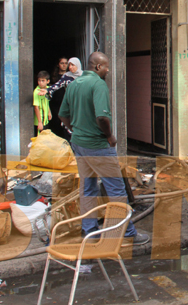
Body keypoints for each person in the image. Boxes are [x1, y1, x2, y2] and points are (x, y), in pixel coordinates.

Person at [59, 52, 149, 245]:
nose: (108, 70)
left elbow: (63, 114)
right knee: (116, 190)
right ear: (98, 67)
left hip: (79, 143)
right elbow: (102, 117)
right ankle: (127, 232)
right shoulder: (98, 84)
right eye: (106, 66)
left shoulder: (73, 84)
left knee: (88, 188)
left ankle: (89, 230)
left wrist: (74, 129)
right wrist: (109, 136)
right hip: (97, 145)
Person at [40, 57, 83, 140]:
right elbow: (57, 85)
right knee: (68, 128)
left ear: (78, 65)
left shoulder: (84, 76)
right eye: (69, 65)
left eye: (72, 65)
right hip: (70, 106)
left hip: (81, 106)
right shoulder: (66, 76)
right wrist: (47, 90)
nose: (70, 67)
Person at [48, 57, 69, 136]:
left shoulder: (69, 77)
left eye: (66, 63)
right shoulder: (54, 77)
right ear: (58, 65)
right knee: (56, 124)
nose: (64, 65)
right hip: (55, 104)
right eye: (62, 63)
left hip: (66, 104)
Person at [34, 71, 52, 136]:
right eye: (39, 80)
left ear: (48, 81)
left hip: (45, 119)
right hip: (40, 120)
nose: (40, 83)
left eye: (43, 81)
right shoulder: (36, 91)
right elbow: (36, 107)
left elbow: (47, 102)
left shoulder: (48, 89)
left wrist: (49, 112)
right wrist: (39, 122)